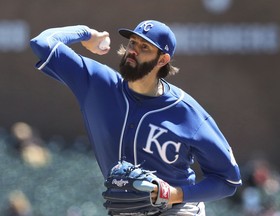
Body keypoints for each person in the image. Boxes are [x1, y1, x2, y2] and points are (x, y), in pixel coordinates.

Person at [30, 20, 242, 216]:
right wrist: (86, 34)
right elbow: (42, 42)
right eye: (133, 42)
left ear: (163, 60)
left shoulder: (187, 113)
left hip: (176, 209)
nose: (133, 51)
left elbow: (227, 180)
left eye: (144, 47)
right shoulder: (97, 84)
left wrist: (175, 194)